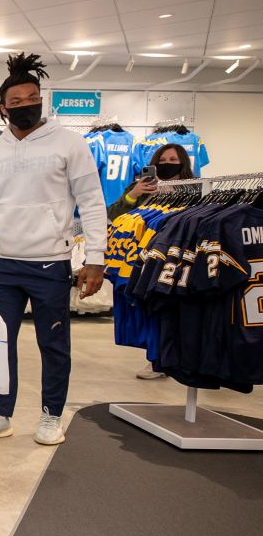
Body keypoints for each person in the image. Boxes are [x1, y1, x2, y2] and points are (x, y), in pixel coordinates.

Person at [0, 53, 108, 446]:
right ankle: (0, 413)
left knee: (53, 344)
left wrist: (96, 259)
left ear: (42, 99)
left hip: (51, 263)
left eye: (33, 98)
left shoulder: (69, 143)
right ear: (2, 107)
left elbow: (92, 201)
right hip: (3, 264)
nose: (26, 106)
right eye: (17, 101)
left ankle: (50, 416)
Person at [107, 143, 195, 380]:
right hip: (142, 258)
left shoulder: (195, 188)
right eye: (163, 159)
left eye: (173, 159)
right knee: (151, 307)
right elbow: (114, 216)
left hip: (178, 257)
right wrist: (134, 195)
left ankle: (177, 358)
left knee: (178, 309)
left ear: (183, 162)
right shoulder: (141, 187)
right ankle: (155, 359)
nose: (168, 163)